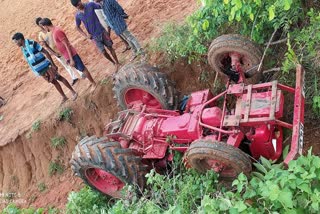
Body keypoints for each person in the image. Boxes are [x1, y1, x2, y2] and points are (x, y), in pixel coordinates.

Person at [12, 32, 77, 104]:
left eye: (16, 42)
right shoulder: (23, 48)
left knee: (59, 78)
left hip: (47, 66)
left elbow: (46, 52)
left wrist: (53, 64)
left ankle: (73, 92)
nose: (16, 44)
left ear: (20, 39)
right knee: (54, 82)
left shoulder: (32, 43)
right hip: (41, 70)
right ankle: (64, 96)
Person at [39, 18, 97, 92]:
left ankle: (93, 83)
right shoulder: (54, 31)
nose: (43, 28)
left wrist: (71, 59)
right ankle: (91, 82)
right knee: (80, 68)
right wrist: (67, 58)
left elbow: (67, 45)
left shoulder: (57, 31)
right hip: (68, 55)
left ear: (46, 26)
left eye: (43, 26)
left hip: (71, 54)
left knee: (82, 69)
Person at [70, 0, 120, 73]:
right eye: (77, 6)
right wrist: (86, 35)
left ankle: (117, 62)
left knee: (110, 47)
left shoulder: (90, 5)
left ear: (80, 1)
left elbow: (101, 6)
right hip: (94, 37)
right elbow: (77, 27)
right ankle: (114, 63)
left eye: (78, 4)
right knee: (103, 52)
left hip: (102, 31)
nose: (78, 6)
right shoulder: (78, 15)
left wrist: (107, 22)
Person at [36, 17, 81, 86]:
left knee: (71, 60)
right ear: (38, 25)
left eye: (42, 23)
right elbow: (46, 46)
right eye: (40, 24)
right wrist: (54, 53)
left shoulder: (50, 29)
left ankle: (81, 72)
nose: (42, 25)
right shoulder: (40, 35)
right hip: (56, 52)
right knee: (66, 64)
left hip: (62, 49)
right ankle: (74, 77)